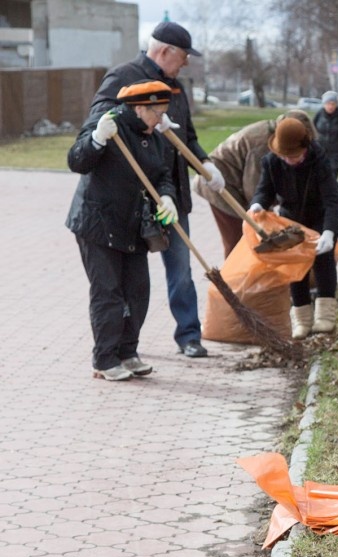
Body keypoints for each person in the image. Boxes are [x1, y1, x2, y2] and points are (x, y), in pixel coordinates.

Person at [89, 21, 224, 359]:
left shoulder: (176, 89)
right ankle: (123, 347)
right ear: (165, 51)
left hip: (171, 193)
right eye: (183, 57)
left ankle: (189, 335)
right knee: (130, 280)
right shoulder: (123, 76)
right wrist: (138, 121)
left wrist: (206, 165)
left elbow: (188, 136)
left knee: (180, 266)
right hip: (134, 197)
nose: (186, 64)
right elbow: (99, 120)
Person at [66, 81, 178, 381]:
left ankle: (128, 352)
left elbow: (163, 174)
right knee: (108, 291)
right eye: (157, 112)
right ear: (140, 107)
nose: (160, 119)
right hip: (98, 223)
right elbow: (76, 160)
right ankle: (104, 359)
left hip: (132, 225)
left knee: (138, 291)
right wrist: (97, 139)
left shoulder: (152, 137)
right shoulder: (108, 122)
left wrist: (167, 196)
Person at [249, 118, 338, 339]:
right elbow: (265, 190)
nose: (289, 160)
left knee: (323, 259)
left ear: (305, 148)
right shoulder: (272, 162)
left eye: (294, 156)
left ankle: (325, 317)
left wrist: (329, 232)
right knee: (295, 266)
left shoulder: (319, 160)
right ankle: (301, 318)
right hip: (291, 219)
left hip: (319, 215)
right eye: (285, 156)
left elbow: (333, 199)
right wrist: (257, 204)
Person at [194, 109, 315, 258]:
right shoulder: (262, 146)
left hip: (237, 183)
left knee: (250, 240)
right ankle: (233, 279)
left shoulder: (280, 138)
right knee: (238, 241)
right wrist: (269, 219)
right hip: (220, 183)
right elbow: (254, 189)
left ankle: (252, 278)